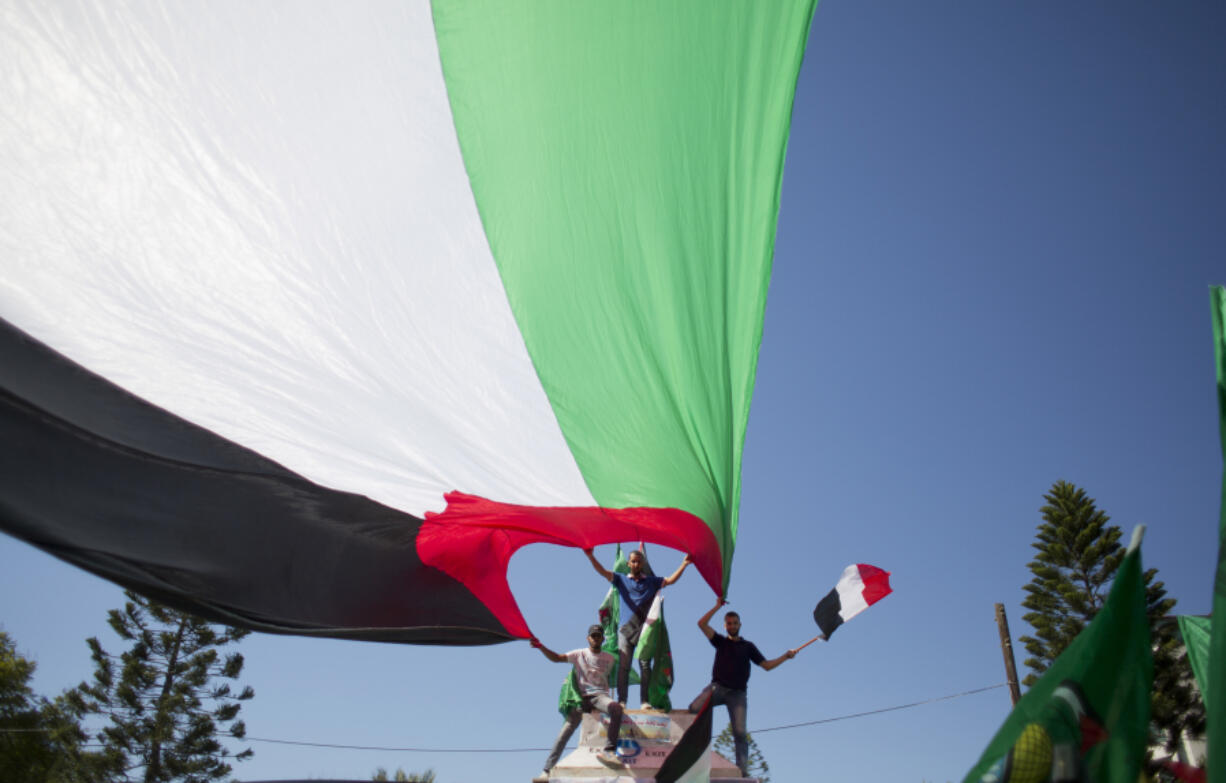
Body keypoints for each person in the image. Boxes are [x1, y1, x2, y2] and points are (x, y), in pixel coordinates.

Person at [687, 598, 803, 778]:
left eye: (735, 623)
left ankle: (742, 771)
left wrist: (785, 656)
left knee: (740, 732)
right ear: (725, 626)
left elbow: (766, 665)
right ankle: (689, 753)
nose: (732, 625)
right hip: (717, 688)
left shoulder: (748, 647)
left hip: (737, 695)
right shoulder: (720, 641)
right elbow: (701, 623)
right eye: (729, 623)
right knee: (693, 708)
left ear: (740, 624)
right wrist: (717, 606)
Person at [584, 547, 691, 708]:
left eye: (639, 561)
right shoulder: (620, 579)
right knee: (624, 667)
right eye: (633, 561)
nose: (636, 564)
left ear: (643, 563)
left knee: (645, 666)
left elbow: (670, 581)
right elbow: (603, 572)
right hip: (625, 630)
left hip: (644, 632)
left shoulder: (651, 581)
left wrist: (684, 564)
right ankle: (622, 701)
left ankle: (644, 701)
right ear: (628, 563)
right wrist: (590, 556)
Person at [531, 625, 625, 782]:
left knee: (616, 708)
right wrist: (541, 647)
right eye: (593, 636)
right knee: (564, 733)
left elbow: (622, 672)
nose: (596, 638)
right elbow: (556, 658)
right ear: (588, 638)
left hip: (600, 696)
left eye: (598, 636)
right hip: (582, 699)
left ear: (602, 639)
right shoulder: (579, 654)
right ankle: (546, 771)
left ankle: (609, 751)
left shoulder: (610, 658)